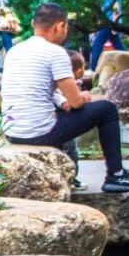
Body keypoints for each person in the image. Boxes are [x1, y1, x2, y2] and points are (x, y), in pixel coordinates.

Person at [0, 2, 129, 193]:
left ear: (34, 24)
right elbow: (76, 102)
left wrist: (63, 101)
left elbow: (39, 89)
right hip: (39, 133)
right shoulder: (55, 53)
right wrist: (84, 96)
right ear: (60, 26)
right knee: (107, 109)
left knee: (64, 111)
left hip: (14, 132)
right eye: (66, 28)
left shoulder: (15, 51)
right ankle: (116, 174)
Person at [53, 50, 90, 191]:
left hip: (60, 122)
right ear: (78, 70)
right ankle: (72, 179)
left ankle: (69, 178)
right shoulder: (63, 84)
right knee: (70, 151)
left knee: (67, 150)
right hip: (63, 122)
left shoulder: (70, 82)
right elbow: (58, 97)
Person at [89, 0, 127, 70]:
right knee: (118, 45)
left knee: (97, 43)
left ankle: (93, 69)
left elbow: (116, 7)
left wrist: (115, 23)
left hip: (111, 23)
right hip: (106, 22)